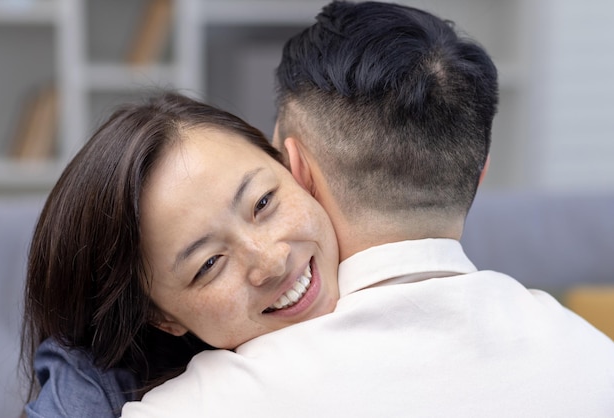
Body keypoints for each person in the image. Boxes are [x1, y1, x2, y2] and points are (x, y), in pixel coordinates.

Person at [121, 1, 614, 417]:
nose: (268, 260)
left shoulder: (203, 406)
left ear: (297, 169)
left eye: (264, 199)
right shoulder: (595, 361)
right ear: (480, 173)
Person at [20, 91, 340, 418]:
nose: (272, 262)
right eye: (209, 264)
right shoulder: (100, 393)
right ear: (161, 317)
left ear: (290, 167)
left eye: (262, 202)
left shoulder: (377, 218)